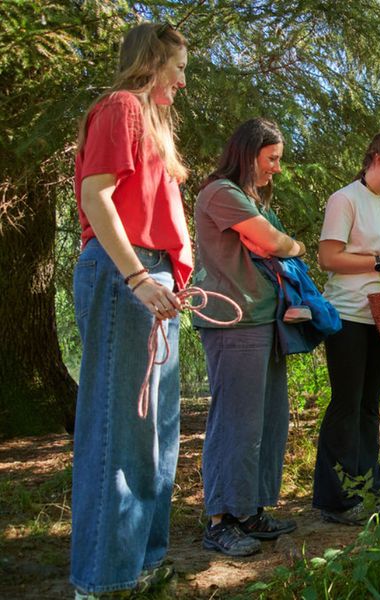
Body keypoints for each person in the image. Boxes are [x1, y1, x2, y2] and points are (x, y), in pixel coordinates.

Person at [71, 22, 190, 598]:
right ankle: (103, 580)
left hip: (151, 281)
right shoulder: (121, 107)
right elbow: (97, 196)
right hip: (128, 276)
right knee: (120, 430)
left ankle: (141, 568)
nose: (183, 80)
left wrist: (160, 277)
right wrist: (139, 276)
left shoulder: (154, 125)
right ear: (152, 61)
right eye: (178, 67)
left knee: (157, 434)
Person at [192, 118, 304, 556]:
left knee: (268, 420)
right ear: (248, 152)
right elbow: (274, 243)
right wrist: (291, 244)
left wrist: (281, 242)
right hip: (232, 321)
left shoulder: (249, 198)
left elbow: (270, 241)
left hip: (264, 319)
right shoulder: (221, 193)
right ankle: (220, 520)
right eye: (271, 158)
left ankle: (250, 511)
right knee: (236, 422)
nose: (276, 167)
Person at [313, 127, 380, 525]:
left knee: (370, 405)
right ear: (377, 158)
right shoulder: (344, 199)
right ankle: (335, 500)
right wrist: (377, 261)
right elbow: (328, 258)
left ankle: (369, 490)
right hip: (348, 315)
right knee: (346, 404)